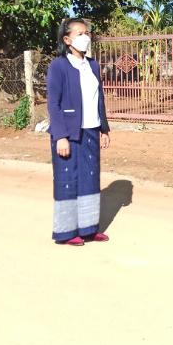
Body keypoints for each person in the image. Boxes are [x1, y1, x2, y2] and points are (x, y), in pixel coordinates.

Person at [46, 18, 111, 246]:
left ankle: (89, 229)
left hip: (91, 130)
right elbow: (53, 103)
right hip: (68, 132)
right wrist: (60, 136)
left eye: (87, 33)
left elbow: (99, 99)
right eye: (80, 34)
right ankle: (66, 232)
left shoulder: (92, 65)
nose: (85, 37)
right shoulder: (59, 66)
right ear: (67, 39)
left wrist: (104, 128)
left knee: (90, 179)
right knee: (68, 179)